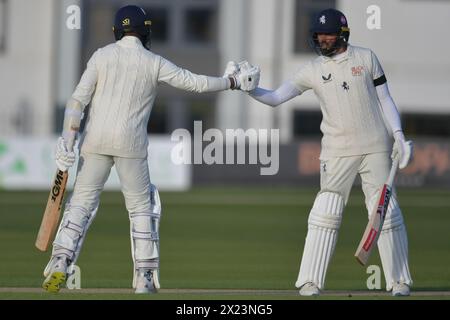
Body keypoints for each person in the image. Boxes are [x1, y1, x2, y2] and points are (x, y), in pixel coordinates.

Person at [42, 4, 260, 294]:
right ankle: (144, 277)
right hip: (130, 144)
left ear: (117, 31)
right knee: (142, 208)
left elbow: (76, 102)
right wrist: (232, 82)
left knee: (80, 205)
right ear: (145, 32)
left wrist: (67, 141)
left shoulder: (101, 56)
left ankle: (60, 262)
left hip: (94, 141)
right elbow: (194, 83)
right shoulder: (153, 61)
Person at [229, 8, 413, 296]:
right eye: (318, 34)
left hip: (376, 146)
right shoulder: (312, 69)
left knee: (387, 213)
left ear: (342, 34)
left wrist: (399, 135)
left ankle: (399, 281)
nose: (322, 39)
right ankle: (310, 281)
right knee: (325, 213)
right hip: (336, 151)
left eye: (327, 34)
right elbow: (277, 97)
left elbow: (385, 98)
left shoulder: (366, 58)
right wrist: (250, 90)